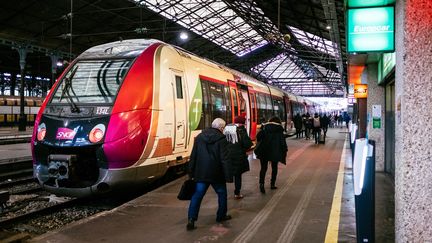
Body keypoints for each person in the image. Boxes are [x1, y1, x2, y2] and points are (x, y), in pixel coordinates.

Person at [187, 118, 233, 231]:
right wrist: (229, 176)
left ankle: (191, 219)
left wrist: (191, 172)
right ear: (221, 128)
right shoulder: (222, 139)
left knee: (197, 195)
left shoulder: (199, 137)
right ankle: (221, 216)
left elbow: (194, 156)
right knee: (222, 194)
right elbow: (224, 159)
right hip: (216, 174)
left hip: (201, 173)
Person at [255, 116, 288, 193]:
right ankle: (272, 184)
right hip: (275, 151)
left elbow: (258, 137)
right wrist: (284, 150)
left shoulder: (264, 127)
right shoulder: (279, 129)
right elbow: (283, 142)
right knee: (274, 168)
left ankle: (261, 184)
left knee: (263, 168)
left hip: (264, 150)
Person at [223, 116, 253, 199]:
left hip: (227, 157)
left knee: (224, 175)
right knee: (237, 176)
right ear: (242, 123)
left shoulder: (225, 129)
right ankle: (237, 193)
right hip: (238, 156)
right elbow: (247, 144)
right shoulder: (241, 130)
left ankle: (223, 193)